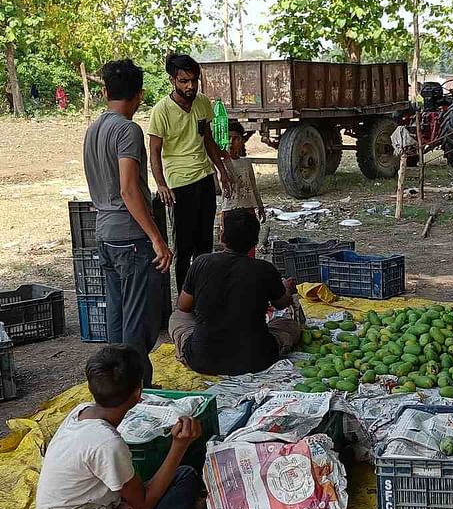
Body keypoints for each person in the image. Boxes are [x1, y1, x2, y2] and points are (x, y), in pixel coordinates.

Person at [36, 344, 219, 509]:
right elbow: (143, 504)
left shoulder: (81, 412)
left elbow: (96, 484)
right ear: (138, 392)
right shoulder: (106, 442)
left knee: (184, 474)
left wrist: (120, 505)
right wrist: (179, 445)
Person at [83, 59, 172, 389]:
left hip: (105, 234)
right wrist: (157, 238)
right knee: (137, 322)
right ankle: (138, 390)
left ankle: (114, 387)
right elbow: (129, 188)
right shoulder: (127, 130)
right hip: (130, 238)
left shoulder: (94, 129)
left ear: (105, 92)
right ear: (140, 95)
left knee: (117, 319)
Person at [168, 209, 301, 376]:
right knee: (290, 325)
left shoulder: (201, 262)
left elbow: (184, 306)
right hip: (255, 359)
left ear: (222, 238)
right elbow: (281, 303)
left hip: (202, 359)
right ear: (254, 242)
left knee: (176, 317)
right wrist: (287, 288)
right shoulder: (264, 269)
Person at [149, 53, 231, 293]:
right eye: (184, 80)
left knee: (205, 245)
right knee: (184, 246)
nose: (190, 86)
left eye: (194, 80)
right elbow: (154, 151)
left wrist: (221, 170)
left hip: (204, 178)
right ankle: (185, 300)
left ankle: (205, 294)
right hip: (178, 185)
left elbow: (208, 139)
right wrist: (162, 184)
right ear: (172, 80)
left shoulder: (203, 102)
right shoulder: (161, 111)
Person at [221, 120, 265, 257]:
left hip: (248, 209)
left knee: (249, 245)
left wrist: (260, 206)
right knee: (231, 247)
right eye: (229, 138)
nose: (232, 142)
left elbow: (253, 186)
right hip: (229, 210)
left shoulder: (246, 163)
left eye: (236, 138)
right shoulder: (221, 164)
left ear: (242, 141)